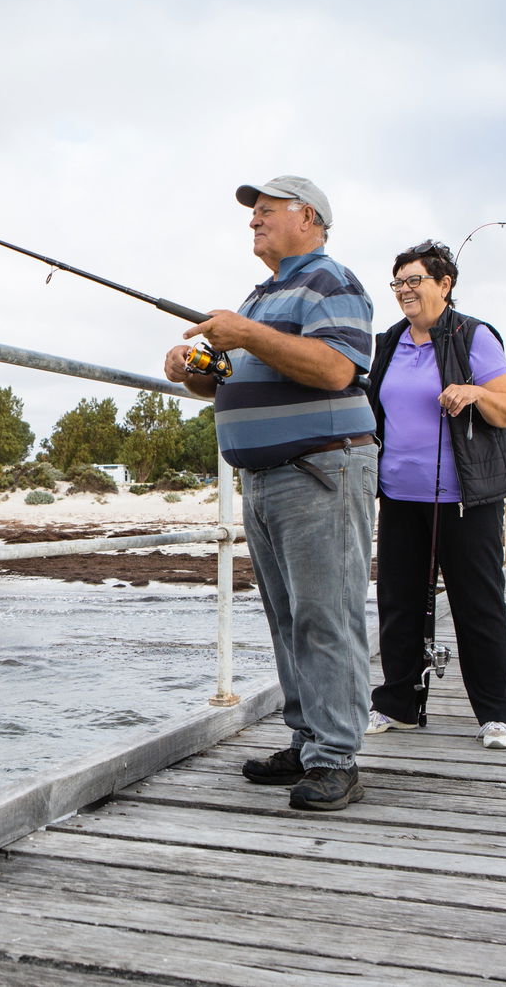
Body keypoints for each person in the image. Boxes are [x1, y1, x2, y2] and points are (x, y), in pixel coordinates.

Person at [164, 176, 377, 811]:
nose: (253, 221)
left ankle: (336, 758)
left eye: (265, 211)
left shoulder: (332, 282)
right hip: (264, 477)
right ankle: (308, 740)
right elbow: (231, 378)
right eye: (252, 214)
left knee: (326, 614)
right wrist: (191, 368)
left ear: (308, 217)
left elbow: (336, 367)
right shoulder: (261, 297)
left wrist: (246, 334)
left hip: (319, 470)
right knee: (288, 617)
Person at [363, 240, 506, 749]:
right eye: (398, 283)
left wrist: (476, 392)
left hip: (464, 499)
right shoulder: (389, 341)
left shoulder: (473, 336)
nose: (404, 290)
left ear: (444, 284)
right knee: (398, 603)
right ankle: (399, 705)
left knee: (478, 603)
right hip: (399, 495)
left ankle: (497, 715)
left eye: (414, 280)